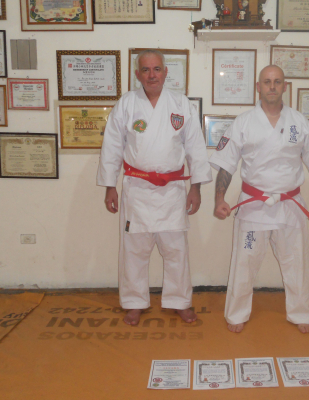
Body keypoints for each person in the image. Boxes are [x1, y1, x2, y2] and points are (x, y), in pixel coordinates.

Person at [209, 65, 309, 334]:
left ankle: (302, 313)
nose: (272, 86)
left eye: (277, 81)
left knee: (297, 262)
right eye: (267, 81)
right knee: (244, 261)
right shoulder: (243, 122)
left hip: (290, 205)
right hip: (253, 205)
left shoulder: (299, 122)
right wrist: (219, 198)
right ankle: (236, 313)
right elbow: (226, 165)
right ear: (258, 87)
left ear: (285, 86)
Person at [97, 49, 212, 326]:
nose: (152, 75)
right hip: (136, 189)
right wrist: (110, 186)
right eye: (146, 70)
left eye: (157, 69)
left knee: (176, 251)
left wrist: (196, 188)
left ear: (165, 72)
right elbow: (112, 147)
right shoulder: (126, 104)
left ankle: (180, 301)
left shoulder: (181, 104)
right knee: (134, 251)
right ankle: (134, 302)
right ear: (138, 74)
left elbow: (195, 148)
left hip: (172, 190)